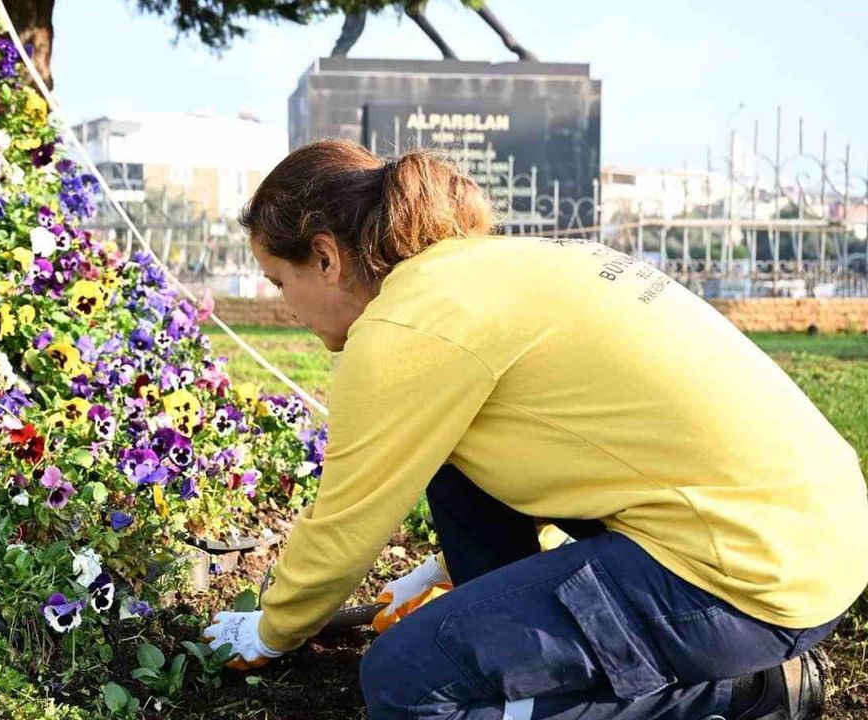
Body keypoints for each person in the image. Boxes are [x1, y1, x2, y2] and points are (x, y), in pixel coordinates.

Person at [201, 139, 868, 720]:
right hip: (808, 534)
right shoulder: (489, 269)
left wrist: (270, 631)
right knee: (453, 463)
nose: (282, 306)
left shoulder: (404, 328)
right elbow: (570, 447)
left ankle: (746, 695)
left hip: (748, 583)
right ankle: (525, 645)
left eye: (277, 281)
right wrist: (444, 572)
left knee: (406, 686)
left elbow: (343, 527)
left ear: (324, 258)